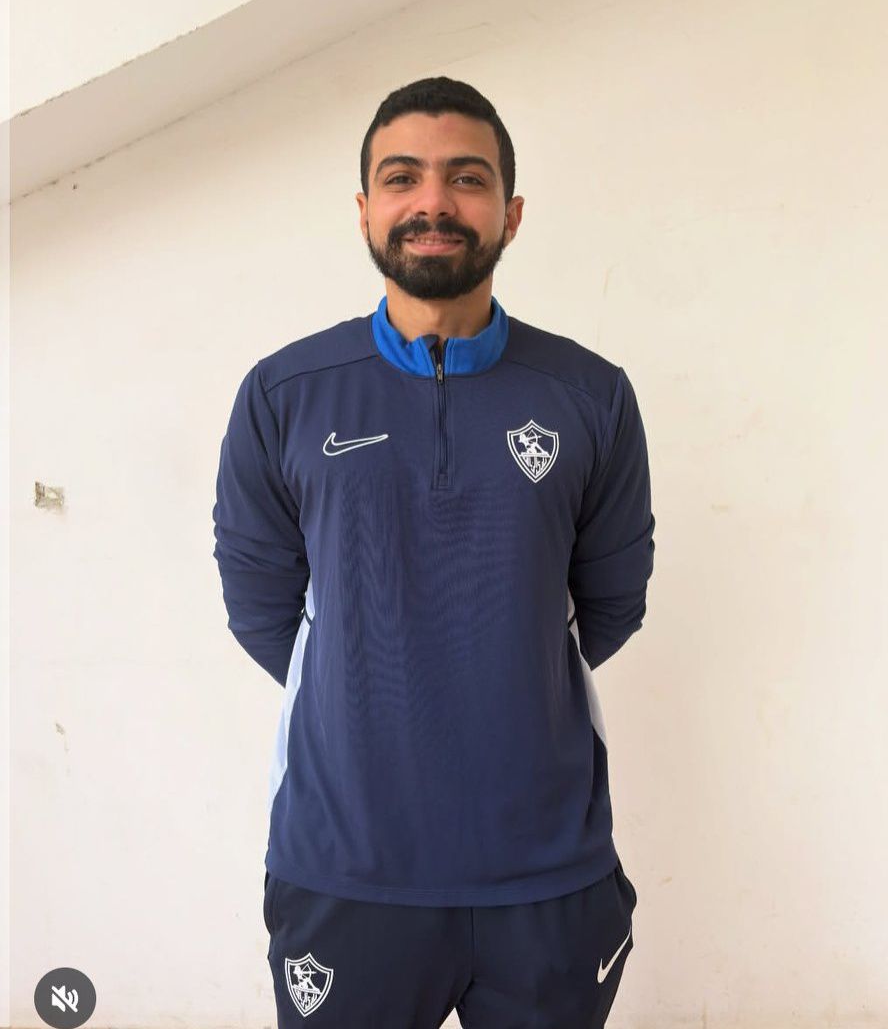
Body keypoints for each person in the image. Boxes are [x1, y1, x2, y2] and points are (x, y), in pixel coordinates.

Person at [212, 75, 656, 1028]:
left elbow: (611, 602)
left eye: (466, 177)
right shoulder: (284, 394)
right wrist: (371, 688)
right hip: (346, 870)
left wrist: (500, 673)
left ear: (510, 213)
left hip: (547, 875)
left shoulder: (590, 396)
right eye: (402, 177)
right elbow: (261, 609)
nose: (433, 202)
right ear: (364, 210)